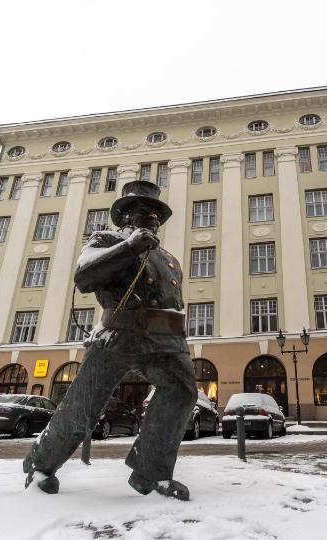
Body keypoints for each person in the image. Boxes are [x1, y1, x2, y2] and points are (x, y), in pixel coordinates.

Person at [23, 181, 196, 500]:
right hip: (119, 332)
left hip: (163, 339)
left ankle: (152, 473)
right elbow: (84, 275)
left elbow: (173, 301)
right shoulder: (107, 239)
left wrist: (179, 339)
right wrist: (129, 247)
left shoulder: (169, 259)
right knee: (85, 404)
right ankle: (40, 466)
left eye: (158, 213)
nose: (154, 219)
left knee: (183, 390)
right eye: (147, 211)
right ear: (127, 216)